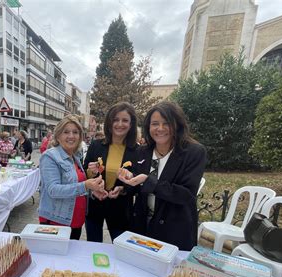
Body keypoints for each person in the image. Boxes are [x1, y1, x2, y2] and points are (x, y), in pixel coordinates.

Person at [117, 101, 206, 251]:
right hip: (142, 227)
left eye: (166, 123)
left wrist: (148, 180)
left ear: (176, 124)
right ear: (148, 127)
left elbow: (186, 195)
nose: (160, 129)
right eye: (155, 124)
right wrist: (125, 184)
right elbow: (138, 187)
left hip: (174, 230)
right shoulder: (143, 152)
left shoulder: (194, 152)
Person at [38, 115, 105, 240]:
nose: (71, 136)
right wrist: (86, 185)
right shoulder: (50, 156)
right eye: (66, 132)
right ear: (58, 135)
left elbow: (77, 185)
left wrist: (93, 191)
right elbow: (53, 190)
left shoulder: (74, 156)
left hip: (75, 221)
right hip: (56, 221)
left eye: (75, 132)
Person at [84, 102, 139, 243]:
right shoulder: (96, 145)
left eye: (125, 120)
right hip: (96, 202)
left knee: (121, 247)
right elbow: (85, 173)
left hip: (120, 207)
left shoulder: (137, 151)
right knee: (93, 246)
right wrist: (91, 172)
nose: (120, 124)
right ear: (109, 122)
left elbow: (138, 183)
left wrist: (123, 189)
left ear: (131, 124)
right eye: (115, 119)